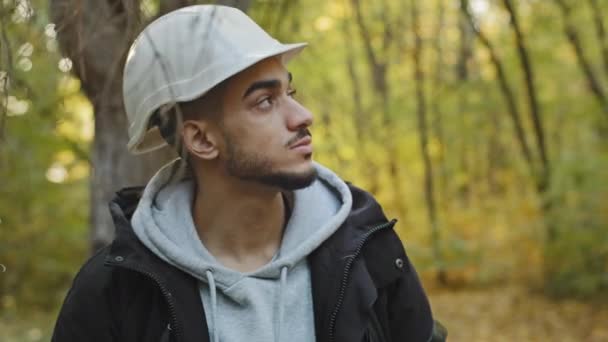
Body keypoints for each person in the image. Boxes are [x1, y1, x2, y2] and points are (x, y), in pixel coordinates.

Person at [51, 5, 447, 342]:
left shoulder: (367, 249)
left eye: (288, 93)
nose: (302, 116)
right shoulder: (118, 289)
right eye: (264, 102)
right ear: (202, 139)